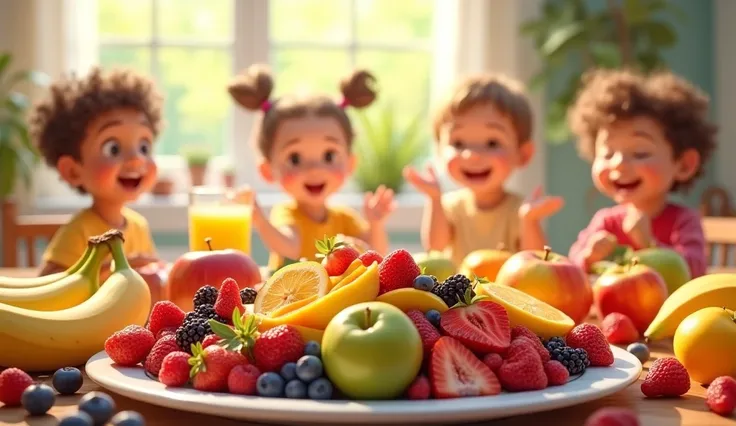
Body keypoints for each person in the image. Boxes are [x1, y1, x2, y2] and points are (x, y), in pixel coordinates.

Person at [228, 64, 394, 271]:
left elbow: (375, 255)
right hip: (291, 298)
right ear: (267, 170)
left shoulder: (345, 218)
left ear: (350, 163)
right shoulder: (287, 214)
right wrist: (260, 221)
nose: (315, 169)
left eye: (329, 156)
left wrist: (376, 224)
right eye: (295, 159)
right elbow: (290, 248)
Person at [567, 68, 717, 278]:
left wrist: (649, 245)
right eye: (608, 153)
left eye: (640, 153)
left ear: (683, 165)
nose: (618, 164)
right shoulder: (605, 222)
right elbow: (570, 271)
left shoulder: (684, 221)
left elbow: (694, 271)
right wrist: (589, 257)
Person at [403, 73, 563, 266]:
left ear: (523, 154)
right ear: (439, 151)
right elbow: (435, 247)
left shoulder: (518, 210)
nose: (472, 155)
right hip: (460, 296)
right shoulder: (451, 206)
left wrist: (529, 221)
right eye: (458, 143)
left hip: (503, 296)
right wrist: (434, 199)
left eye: (492, 143)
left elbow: (536, 262)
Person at [32, 67, 164, 277]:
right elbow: (48, 280)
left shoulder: (139, 226)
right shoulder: (78, 230)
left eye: (144, 147)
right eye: (113, 149)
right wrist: (108, 271)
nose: (137, 159)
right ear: (73, 171)